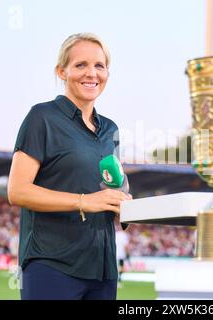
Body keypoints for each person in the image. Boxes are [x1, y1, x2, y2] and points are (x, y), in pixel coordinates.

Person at [7, 33, 132, 300]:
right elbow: (17, 191)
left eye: (100, 65)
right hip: (52, 264)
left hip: (103, 269)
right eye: (80, 65)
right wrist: (85, 201)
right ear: (61, 71)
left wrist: (123, 208)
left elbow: (111, 191)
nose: (92, 73)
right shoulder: (42, 117)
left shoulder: (111, 129)